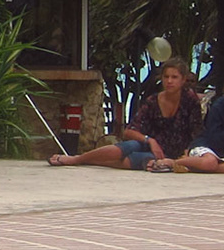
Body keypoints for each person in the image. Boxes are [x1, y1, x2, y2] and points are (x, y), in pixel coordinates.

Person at [49, 57, 201, 172]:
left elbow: (196, 131)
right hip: (148, 144)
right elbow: (129, 131)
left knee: (132, 160)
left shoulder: (190, 100)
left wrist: (187, 154)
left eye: (174, 77)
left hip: (168, 153)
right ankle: (76, 159)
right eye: (166, 77)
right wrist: (150, 140)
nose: (169, 81)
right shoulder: (153, 101)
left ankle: (88, 160)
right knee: (126, 146)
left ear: (183, 80)